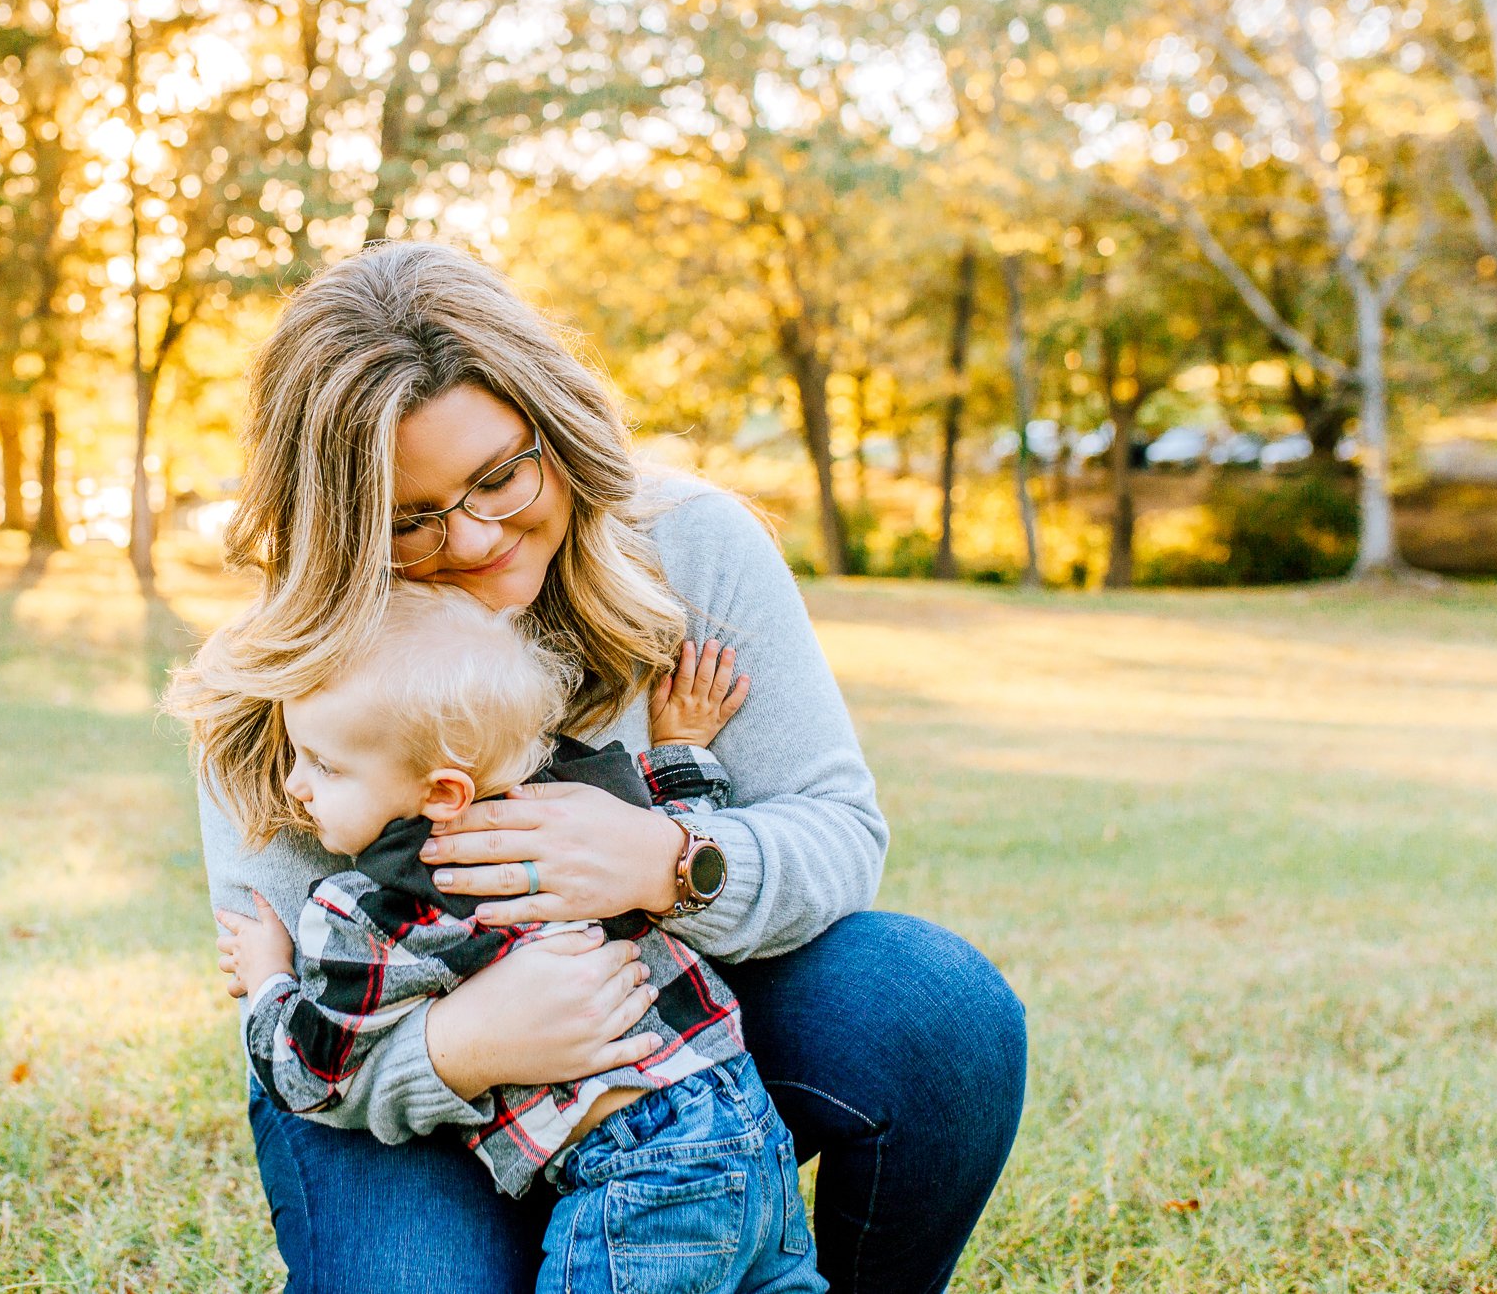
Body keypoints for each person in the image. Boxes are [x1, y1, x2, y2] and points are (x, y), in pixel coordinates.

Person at [167, 240, 1026, 1294]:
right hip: (395, 1091)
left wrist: (667, 859)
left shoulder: (691, 547)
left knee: (933, 1009)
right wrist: (459, 1046)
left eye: (499, 474)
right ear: (339, 528)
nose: (478, 536)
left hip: (667, 1056)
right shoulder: (278, 682)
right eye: (411, 519)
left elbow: (838, 831)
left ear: (554, 426)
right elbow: (303, 1019)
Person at [206, 584, 820, 1292]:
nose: (295, 784)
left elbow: (309, 1070)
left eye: (325, 764)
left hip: (636, 1171)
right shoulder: (575, 799)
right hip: (745, 1120)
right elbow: (669, 815)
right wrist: (680, 750)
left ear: (442, 792)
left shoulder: (377, 911)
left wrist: (268, 979)